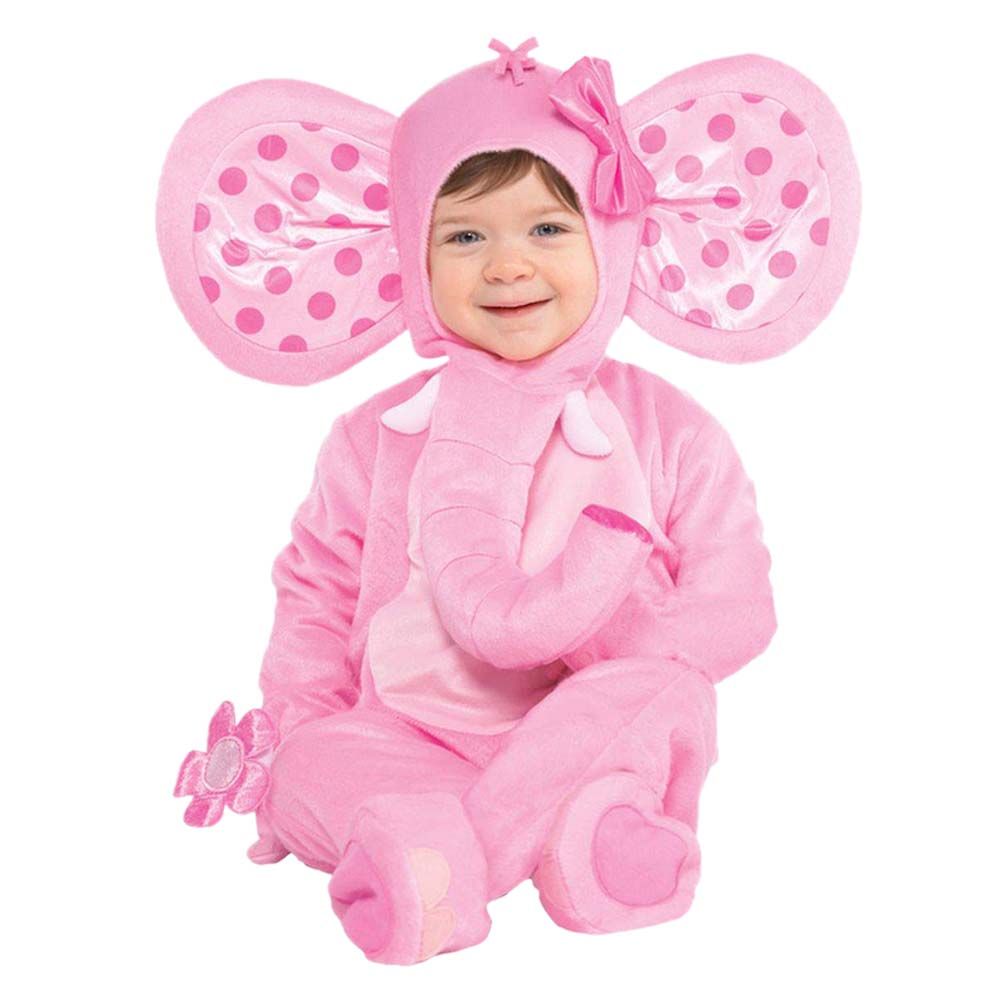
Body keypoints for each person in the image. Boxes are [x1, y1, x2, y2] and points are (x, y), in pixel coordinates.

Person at [162, 39, 860, 966]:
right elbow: (315, 594)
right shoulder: (375, 436)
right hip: (404, 731)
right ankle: (570, 843)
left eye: (548, 229)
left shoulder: (671, 431)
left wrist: (612, 633)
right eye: (464, 237)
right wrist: (303, 719)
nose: (506, 266)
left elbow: (735, 602)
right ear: (410, 254)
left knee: (660, 693)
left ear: (611, 234)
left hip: (585, 730)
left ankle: (443, 864)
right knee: (308, 767)